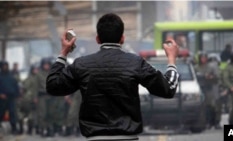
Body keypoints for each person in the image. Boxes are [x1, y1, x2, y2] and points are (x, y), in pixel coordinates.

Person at [46, 13, 179, 141]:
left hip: (95, 138)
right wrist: (172, 59)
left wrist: (63, 52)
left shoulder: (81, 64)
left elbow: (53, 86)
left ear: (98, 39)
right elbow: (168, 89)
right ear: (122, 38)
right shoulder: (136, 63)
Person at [17, 65, 39, 135]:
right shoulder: (29, 78)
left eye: (37, 69)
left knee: (35, 116)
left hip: (37, 98)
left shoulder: (38, 78)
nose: (36, 71)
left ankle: (33, 129)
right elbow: (24, 87)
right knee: (29, 115)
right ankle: (26, 129)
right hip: (28, 100)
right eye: (35, 69)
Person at [0, 61, 20, 135]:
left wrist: (17, 94)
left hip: (11, 97)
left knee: (12, 113)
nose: (5, 67)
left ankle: (14, 128)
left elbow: (16, 85)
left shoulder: (11, 75)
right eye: (3, 66)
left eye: (6, 65)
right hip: (2, 98)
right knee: (1, 113)